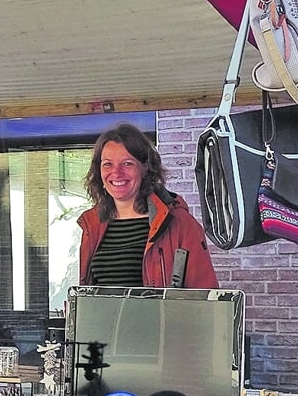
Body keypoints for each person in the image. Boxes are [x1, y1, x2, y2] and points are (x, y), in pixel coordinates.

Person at [77, 122, 218, 288]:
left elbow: (204, 295)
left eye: (127, 163)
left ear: (145, 168)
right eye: (107, 164)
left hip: (160, 315)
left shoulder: (179, 223)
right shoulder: (92, 225)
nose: (116, 172)